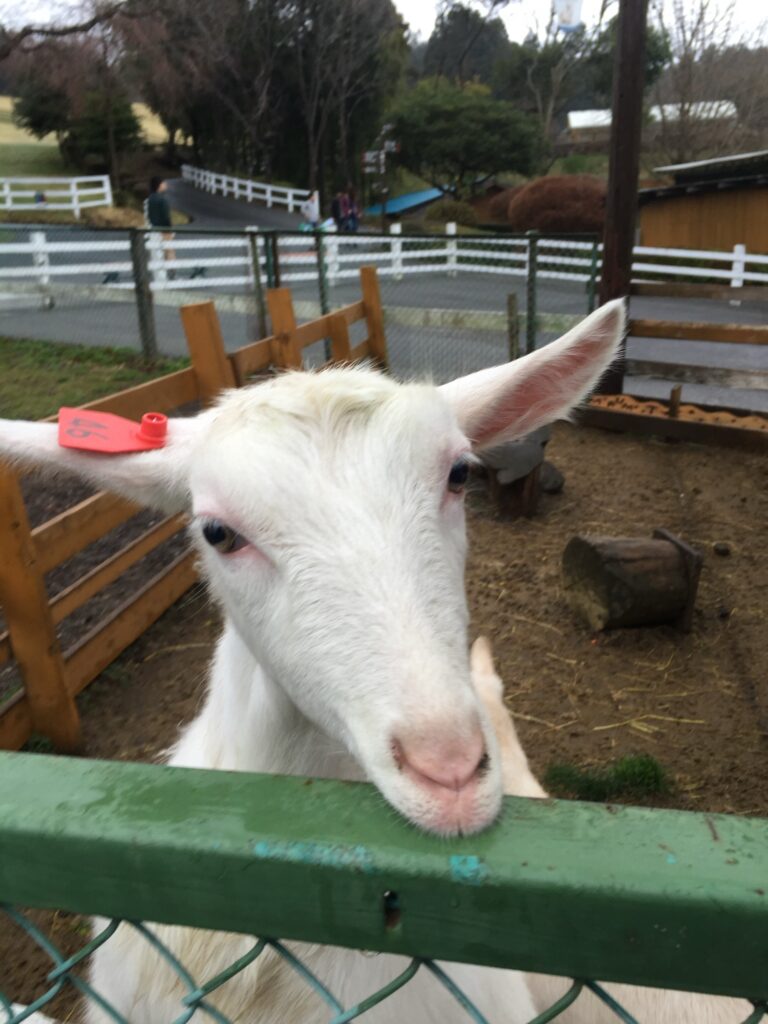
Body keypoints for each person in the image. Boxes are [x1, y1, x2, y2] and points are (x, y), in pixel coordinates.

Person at [146, 176, 175, 276]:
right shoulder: (163, 199)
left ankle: (159, 270)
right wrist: (170, 229)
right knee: (169, 250)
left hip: (154, 228)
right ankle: (171, 272)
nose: (166, 185)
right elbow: (166, 216)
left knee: (157, 251)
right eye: (163, 183)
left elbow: (149, 215)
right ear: (159, 185)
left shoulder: (150, 198)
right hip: (164, 229)